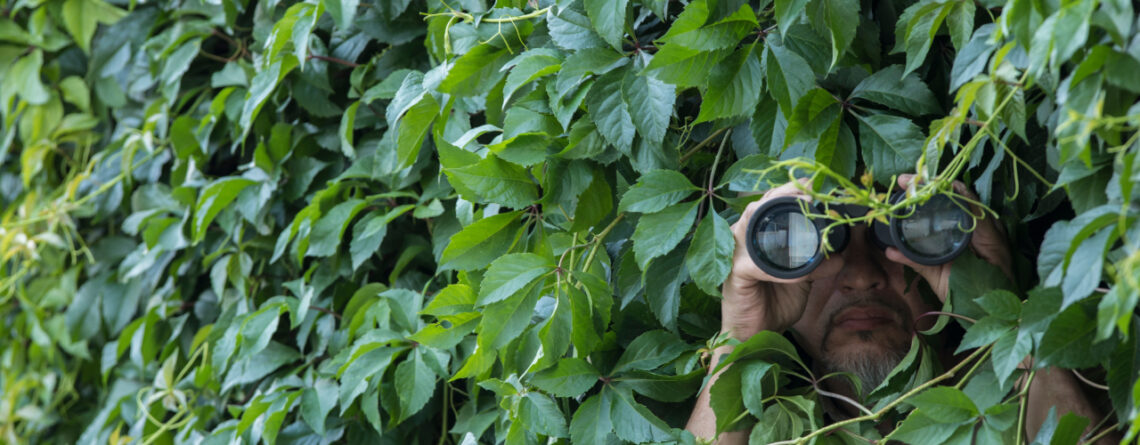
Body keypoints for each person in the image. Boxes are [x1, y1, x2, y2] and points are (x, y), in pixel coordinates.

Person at [685, 175, 1115, 444]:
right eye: (811, 243)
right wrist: (740, 335)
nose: (860, 275)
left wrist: (999, 308)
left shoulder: (1093, 384)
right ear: (771, 270)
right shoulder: (768, 429)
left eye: (890, 234)